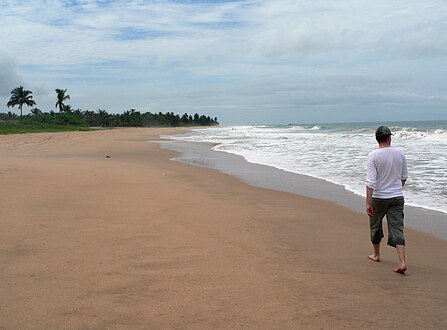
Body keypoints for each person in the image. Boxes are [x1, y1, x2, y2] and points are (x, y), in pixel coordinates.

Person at [366, 126, 408, 274]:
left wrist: (368, 203)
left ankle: (376, 255)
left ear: (377, 139)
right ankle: (402, 262)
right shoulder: (400, 153)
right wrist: (396, 189)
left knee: (375, 225)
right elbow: (404, 177)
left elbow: (371, 182)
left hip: (379, 197)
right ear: (389, 138)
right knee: (397, 227)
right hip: (397, 197)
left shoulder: (373, 155)